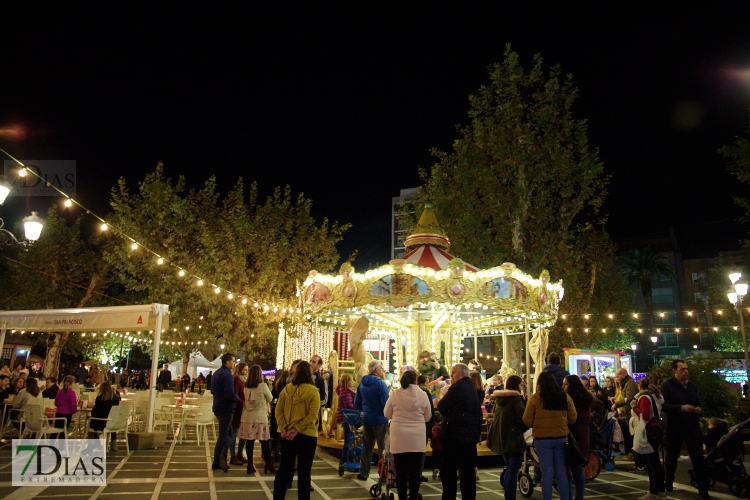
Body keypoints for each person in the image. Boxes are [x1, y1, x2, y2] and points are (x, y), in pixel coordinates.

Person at [660, 359, 711, 500]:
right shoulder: (667, 386)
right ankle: (668, 481)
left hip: (692, 426)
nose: (685, 371)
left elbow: (698, 402)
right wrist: (681, 408)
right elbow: (663, 405)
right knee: (672, 455)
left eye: (686, 369)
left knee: (698, 458)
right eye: (682, 369)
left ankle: (703, 490)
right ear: (674, 371)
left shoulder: (692, 387)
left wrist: (699, 410)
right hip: (675, 426)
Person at [523, 371, 577, 500]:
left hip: (543, 440)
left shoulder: (536, 398)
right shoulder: (564, 397)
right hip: (561, 438)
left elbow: (527, 420)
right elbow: (573, 418)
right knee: (561, 473)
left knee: (547, 473)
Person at [273, 360, 320, 500]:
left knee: (284, 469)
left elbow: (278, 410)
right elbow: (312, 415)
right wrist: (298, 429)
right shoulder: (313, 391)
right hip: (307, 435)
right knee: (304, 473)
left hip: (287, 434)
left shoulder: (287, 389)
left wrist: (283, 427)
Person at [437, 363, 483, 500]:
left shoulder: (457, 387)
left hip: (455, 436)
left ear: (462, 374)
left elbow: (442, 406)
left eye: (453, 373)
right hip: (470, 437)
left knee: (448, 471)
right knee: (467, 473)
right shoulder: (472, 388)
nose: (451, 376)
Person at [384, 369, 432, 500]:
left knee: (401, 472)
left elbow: (386, 413)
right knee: (415, 472)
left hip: (399, 436)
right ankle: (414, 497)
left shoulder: (395, 394)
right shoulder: (423, 395)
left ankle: (403, 498)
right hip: (417, 436)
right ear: (416, 380)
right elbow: (428, 417)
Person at [488, 375, 527, 500]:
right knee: (513, 470)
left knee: (509, 468)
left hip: (503, 438)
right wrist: (520, 429)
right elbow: (524, 418)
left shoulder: (500, 400)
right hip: (514, 439)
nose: (522, 387)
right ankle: (510, 497)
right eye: (521, 384)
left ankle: (507, 496)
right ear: (516, 385)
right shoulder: (516, 400)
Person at [354, 359, 390, 480]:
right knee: (382, 448)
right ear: (376, 370)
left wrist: (366, 409)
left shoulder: (361, 383)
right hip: (380, 419)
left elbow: (357, 403)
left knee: (367, 447)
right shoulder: (381, 384)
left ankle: (364, 472)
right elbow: (385, 403)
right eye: (381, 368)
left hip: (367, 419)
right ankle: (383, 474)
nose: (382, 370)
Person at [632, 377, 665, 500]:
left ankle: (653, 492)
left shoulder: (644, 398)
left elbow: (645, 415)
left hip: (647, 432)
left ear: (640, 387)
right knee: (656, 462)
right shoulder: (657, 397)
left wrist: (635, 407)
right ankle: (661, 490)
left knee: (651, 463)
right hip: (656, 430)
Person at [240, 364, 274, 474]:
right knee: (264, 441)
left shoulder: (246, 386)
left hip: (248, 418)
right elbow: (270, 398)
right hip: (260, 417)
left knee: (250, 442)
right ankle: (268, 464)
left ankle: (250, 464)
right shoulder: (263, 386)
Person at [563, 375, 593, 500]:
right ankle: (579, 496)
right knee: (577, 468)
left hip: (572, 434)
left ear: (572, 385)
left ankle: (570, 496)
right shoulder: (586, 398)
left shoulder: (570, 399)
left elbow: (569, 417)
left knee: (567, 468)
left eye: (565, 384)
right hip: (584, 434)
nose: (563, 386)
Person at [212, 353, 239, 472]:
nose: (234, 363)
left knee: (229, 433)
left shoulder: (216, 373)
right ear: (227, 362)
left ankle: (222, 455)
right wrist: (236, 398)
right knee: (224, 435)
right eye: (233, 361)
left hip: (217, 406)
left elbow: (213, 390)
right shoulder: (227, 375)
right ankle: (218, 459)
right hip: (225, 408)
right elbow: (229, 394)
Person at [612, 368, 638, 462]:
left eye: (618, 376)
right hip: (626, 412)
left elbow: (629, 398)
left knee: (630, 434)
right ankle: (629, 452)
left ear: (623, 375)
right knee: (627, 434)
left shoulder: (629, 383)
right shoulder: (623, 384)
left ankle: (631, 454)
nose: (616, 378)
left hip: (630, 412)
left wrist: (617, 404)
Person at [89, 381, 121, 451]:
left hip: (102, 423)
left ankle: (94, 444)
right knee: (110, 419)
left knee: (92, 422)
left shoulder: (100, 398)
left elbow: (95, 412)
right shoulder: (116, 399)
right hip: (113, 423)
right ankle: (113, 445)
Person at [335, 373, 357, 466]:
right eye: (351, 380)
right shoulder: (346, 393)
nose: (353, 382)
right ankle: (344, 460)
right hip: (347, 418)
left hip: (348, 418)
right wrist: (358, 407)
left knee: (350, 438)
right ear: (347, 382)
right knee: (348, 439)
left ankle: (348, 458)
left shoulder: (346, 392)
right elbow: (349, 406)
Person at [230, 362, 249, 465]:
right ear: (240, 370)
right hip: (238, 410)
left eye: (247, 370)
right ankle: (233, 456)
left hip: (244, 410)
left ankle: (239, 454)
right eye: (245, 370)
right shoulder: (237, 379)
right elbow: (235, 394)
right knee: (234, 433)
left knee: (244, 434)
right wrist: (243, 402)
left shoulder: (245, 380)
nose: (247, 372)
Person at [270, 369, 289, 462]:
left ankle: (275, 452)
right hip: (285, 411)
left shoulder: (277, 386)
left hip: (276, 410)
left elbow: (272, 397)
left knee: (275, 434)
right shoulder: (287, 388)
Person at [309, 355, 328, 430]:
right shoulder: (302, 379)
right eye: (310, 361)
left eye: (313, 362)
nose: (310, 363)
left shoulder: (321, 381)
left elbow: (325, 400)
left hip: (315, 418)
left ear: (318, 366)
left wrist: (313, 404)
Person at [430, 411, 444, 480]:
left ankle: (434, 470)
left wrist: (430, 432)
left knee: (435, 460)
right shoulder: (443, 426)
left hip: (435, 448)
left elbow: (434, 436)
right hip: (442, 447)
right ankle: (441, 472)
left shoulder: (436, 428)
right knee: (441, 460)